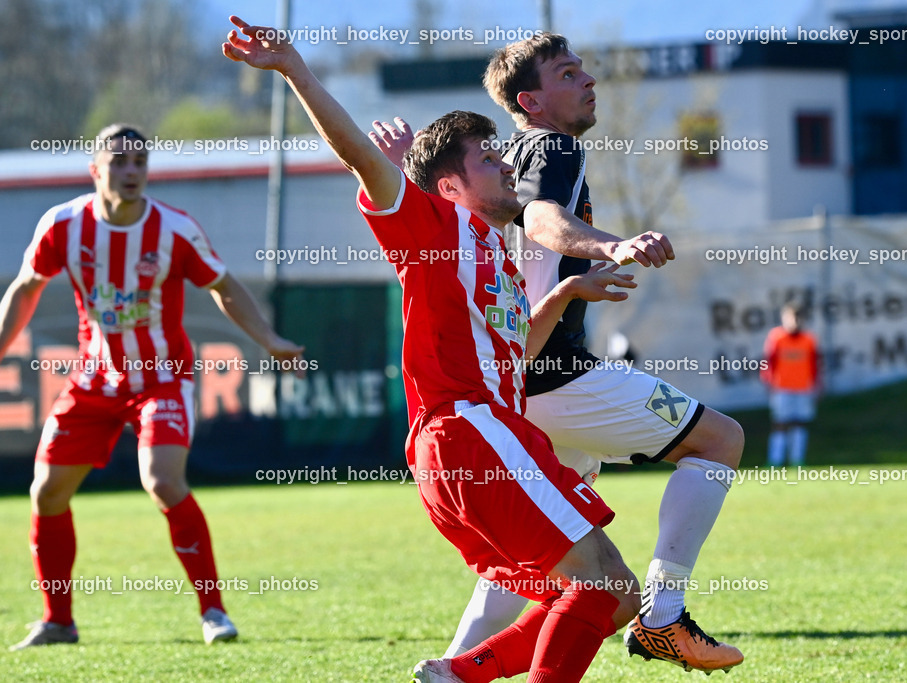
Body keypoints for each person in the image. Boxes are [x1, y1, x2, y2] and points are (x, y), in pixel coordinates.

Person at [223, 16, 642, 683]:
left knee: (612, 593)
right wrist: (294, 69)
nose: (507, 165)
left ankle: (457, 674)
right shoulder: (435, 229)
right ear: (449, 187)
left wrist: (566, 293)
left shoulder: (496, 254)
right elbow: (359, 155)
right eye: (489, 160)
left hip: (485, 438)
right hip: (469, 433)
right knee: (596, 584)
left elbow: (514, 356)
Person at [368, 32, 746, 674]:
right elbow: (540, 216)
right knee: (719, 440)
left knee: (545, 565)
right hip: (553, 378)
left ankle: (453, 669)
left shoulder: (498, 170)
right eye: (568, 74)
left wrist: (571, 284)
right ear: (531, 101)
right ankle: (663, 614)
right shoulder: (550, 147)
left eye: (583, 70)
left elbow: (495, 229)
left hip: (511, 391)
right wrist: (610, 246)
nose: (588, 80)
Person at [1, 124, 306, 650]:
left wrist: (270, 340)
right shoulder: (63, 225)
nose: (131, 171)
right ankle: (58, 622)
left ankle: (213, 611)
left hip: (162, 379)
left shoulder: (174, 229)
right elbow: (26, 288)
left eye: (139, 162)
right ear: (95, 170)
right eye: (119, 162)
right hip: (93, 381)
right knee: (46, 492)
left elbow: (224, 286)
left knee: (162, 481)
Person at [762, 303, 820, 467]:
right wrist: (768, 382)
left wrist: (816, 385)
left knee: (800, 423)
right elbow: (768, 362)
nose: (795, 321)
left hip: (803, 388)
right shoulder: (777, 337)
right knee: (780, 423)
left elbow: (815, 365)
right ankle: (775, 461)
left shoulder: (809, 339)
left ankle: (797, 460)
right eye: (791, 318)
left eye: (798, 318)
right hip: (782, 388)